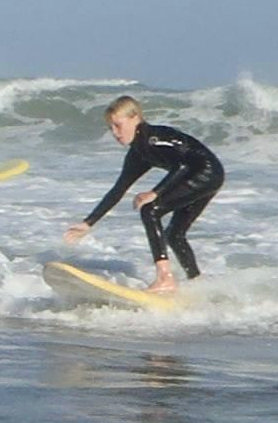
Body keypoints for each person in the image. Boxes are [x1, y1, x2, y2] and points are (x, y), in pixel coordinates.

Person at [64, 95, 224, 293]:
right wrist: (89, 222)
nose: (114, 133)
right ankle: (197, 282)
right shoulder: (138, 153)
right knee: (174, 234)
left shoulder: (153, 139)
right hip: (202, 174)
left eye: (118, 125)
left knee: (150, 210)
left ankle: (165, 277)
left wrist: (155, 193)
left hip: (206, 172)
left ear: (135, 118)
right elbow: (118, 189)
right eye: (110, 127)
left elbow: (182, 165)